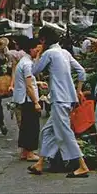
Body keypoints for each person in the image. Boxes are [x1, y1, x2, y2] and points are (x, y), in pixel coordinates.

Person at [28, 26, 90, 178]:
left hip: (59, 98)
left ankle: (82, 166)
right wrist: (77, 90)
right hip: (68, 98)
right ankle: (40, 163)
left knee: (65, 132)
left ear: (43, 40)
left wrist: (39, 54)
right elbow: (82, 72)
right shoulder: (65, 53)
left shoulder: (49, 53)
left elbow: (34, 71)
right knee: (47, 131)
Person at [13, 36, 43, 162]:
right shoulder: (28, 64)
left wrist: (39, 83)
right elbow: (29, 85)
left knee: (25, 126)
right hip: (28, 99)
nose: (37, 53)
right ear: (31, 49)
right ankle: (30, 152)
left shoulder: (24, 62)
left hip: (23, 99)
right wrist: (36, 102)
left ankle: (25, 152)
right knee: (32, 126)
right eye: (36, 50)